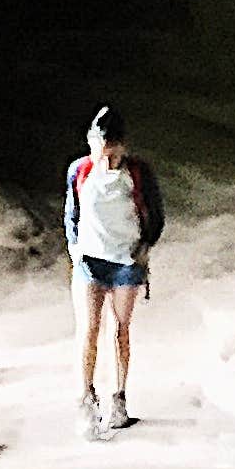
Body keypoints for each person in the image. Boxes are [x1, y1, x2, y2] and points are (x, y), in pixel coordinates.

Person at [64, 103, 165, 438]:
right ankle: (86, 401)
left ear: (122, 146)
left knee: (119, 331)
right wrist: (74, 247)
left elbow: (157, 215)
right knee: (88, 330)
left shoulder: (137, 173)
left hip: (126, 261)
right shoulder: (79, 171)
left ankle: (118, 399)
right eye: (99, 150)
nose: (105, 159)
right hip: (90, 261)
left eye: (111, 152)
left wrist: (144, 248)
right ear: (91, 144)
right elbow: (71, 214)